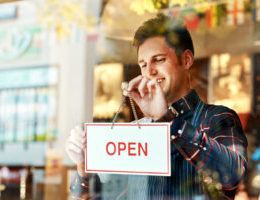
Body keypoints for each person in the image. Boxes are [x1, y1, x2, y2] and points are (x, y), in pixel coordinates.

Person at [65, 14, 247, 200]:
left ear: (186, 60)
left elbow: (233, 176)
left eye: (159, 60)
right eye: (143, 64)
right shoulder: (138, 131)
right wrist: (84, 169)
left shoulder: (217, 118)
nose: (149, 72)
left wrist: (166, 119)